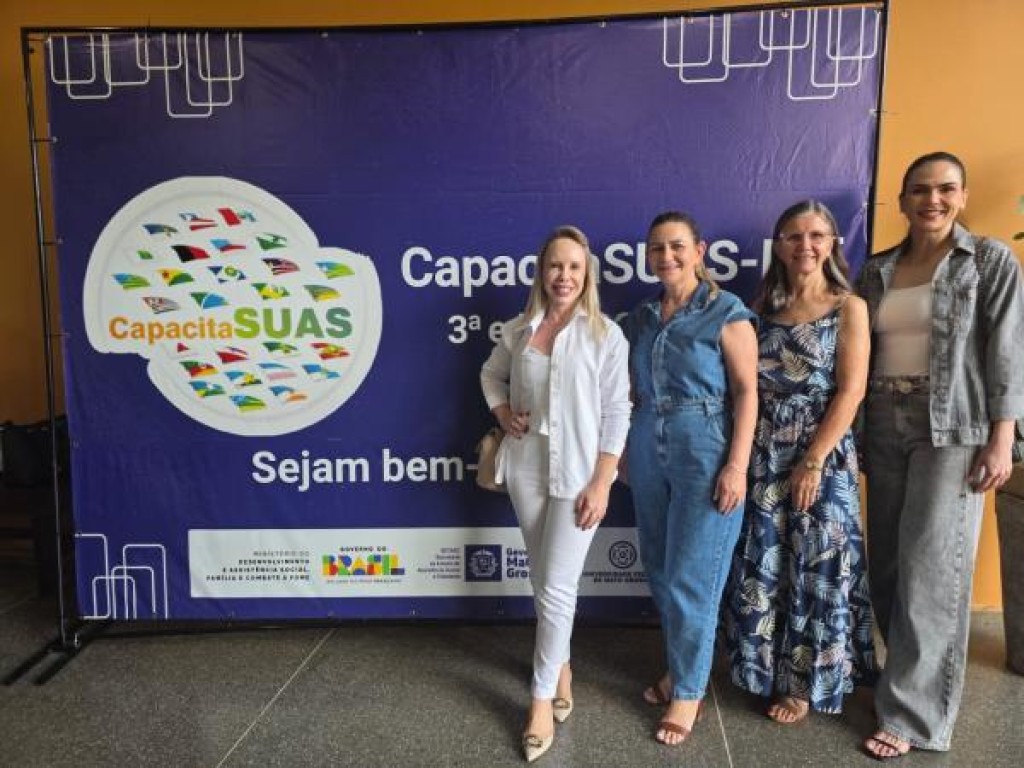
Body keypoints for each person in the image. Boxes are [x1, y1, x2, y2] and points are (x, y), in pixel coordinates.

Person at [857, 152, 1024, 759]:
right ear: (902, 201)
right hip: (883, 419)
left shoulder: (988, 261)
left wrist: (1002, 437)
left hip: (951, 428)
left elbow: (1008, 353)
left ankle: (916, 717)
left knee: (932, 570)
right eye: (921, 190)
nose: (933, 200)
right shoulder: (877, 270)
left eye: (946, 189)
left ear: (963, 195)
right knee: (888, 567)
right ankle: (903, 680)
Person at [722, 200, 876, 725]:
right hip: (764, 450)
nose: (805, 245)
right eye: (793, 236)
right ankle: (765, 672)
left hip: (820, 454)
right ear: (779, 245)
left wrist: (812, 462)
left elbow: (851, 392)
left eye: (816, 235)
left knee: (817, 564)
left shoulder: (849, 307)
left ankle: (805, 685)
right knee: (766, 560)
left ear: (832, 243)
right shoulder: (761, 306)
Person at [480, 225, 631, 763]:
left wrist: (602, 481)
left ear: (587, 273)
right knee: (544, 582)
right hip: (525, 469)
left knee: (558, 589)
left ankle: (540, 700)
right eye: (554, 266)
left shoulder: (606, 335)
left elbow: (618, 411)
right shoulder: (520, 330)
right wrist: (503, 414)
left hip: (579, 477)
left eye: (573, 266)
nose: (564, 276)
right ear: (541, 273)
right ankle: (562, 667)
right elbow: (491, 376)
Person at [622, 211, 758, 746]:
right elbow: (624, 387)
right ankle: (682, 668)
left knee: (691, 576)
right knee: (660, 569)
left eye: (677, 246)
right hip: (646, 442)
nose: (667, 256)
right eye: (657, 248)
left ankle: (689, 691)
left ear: (699, 251)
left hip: (705, 445)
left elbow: (747, 392)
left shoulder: (725, 311)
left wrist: (736, 465)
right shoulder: (640, 317)